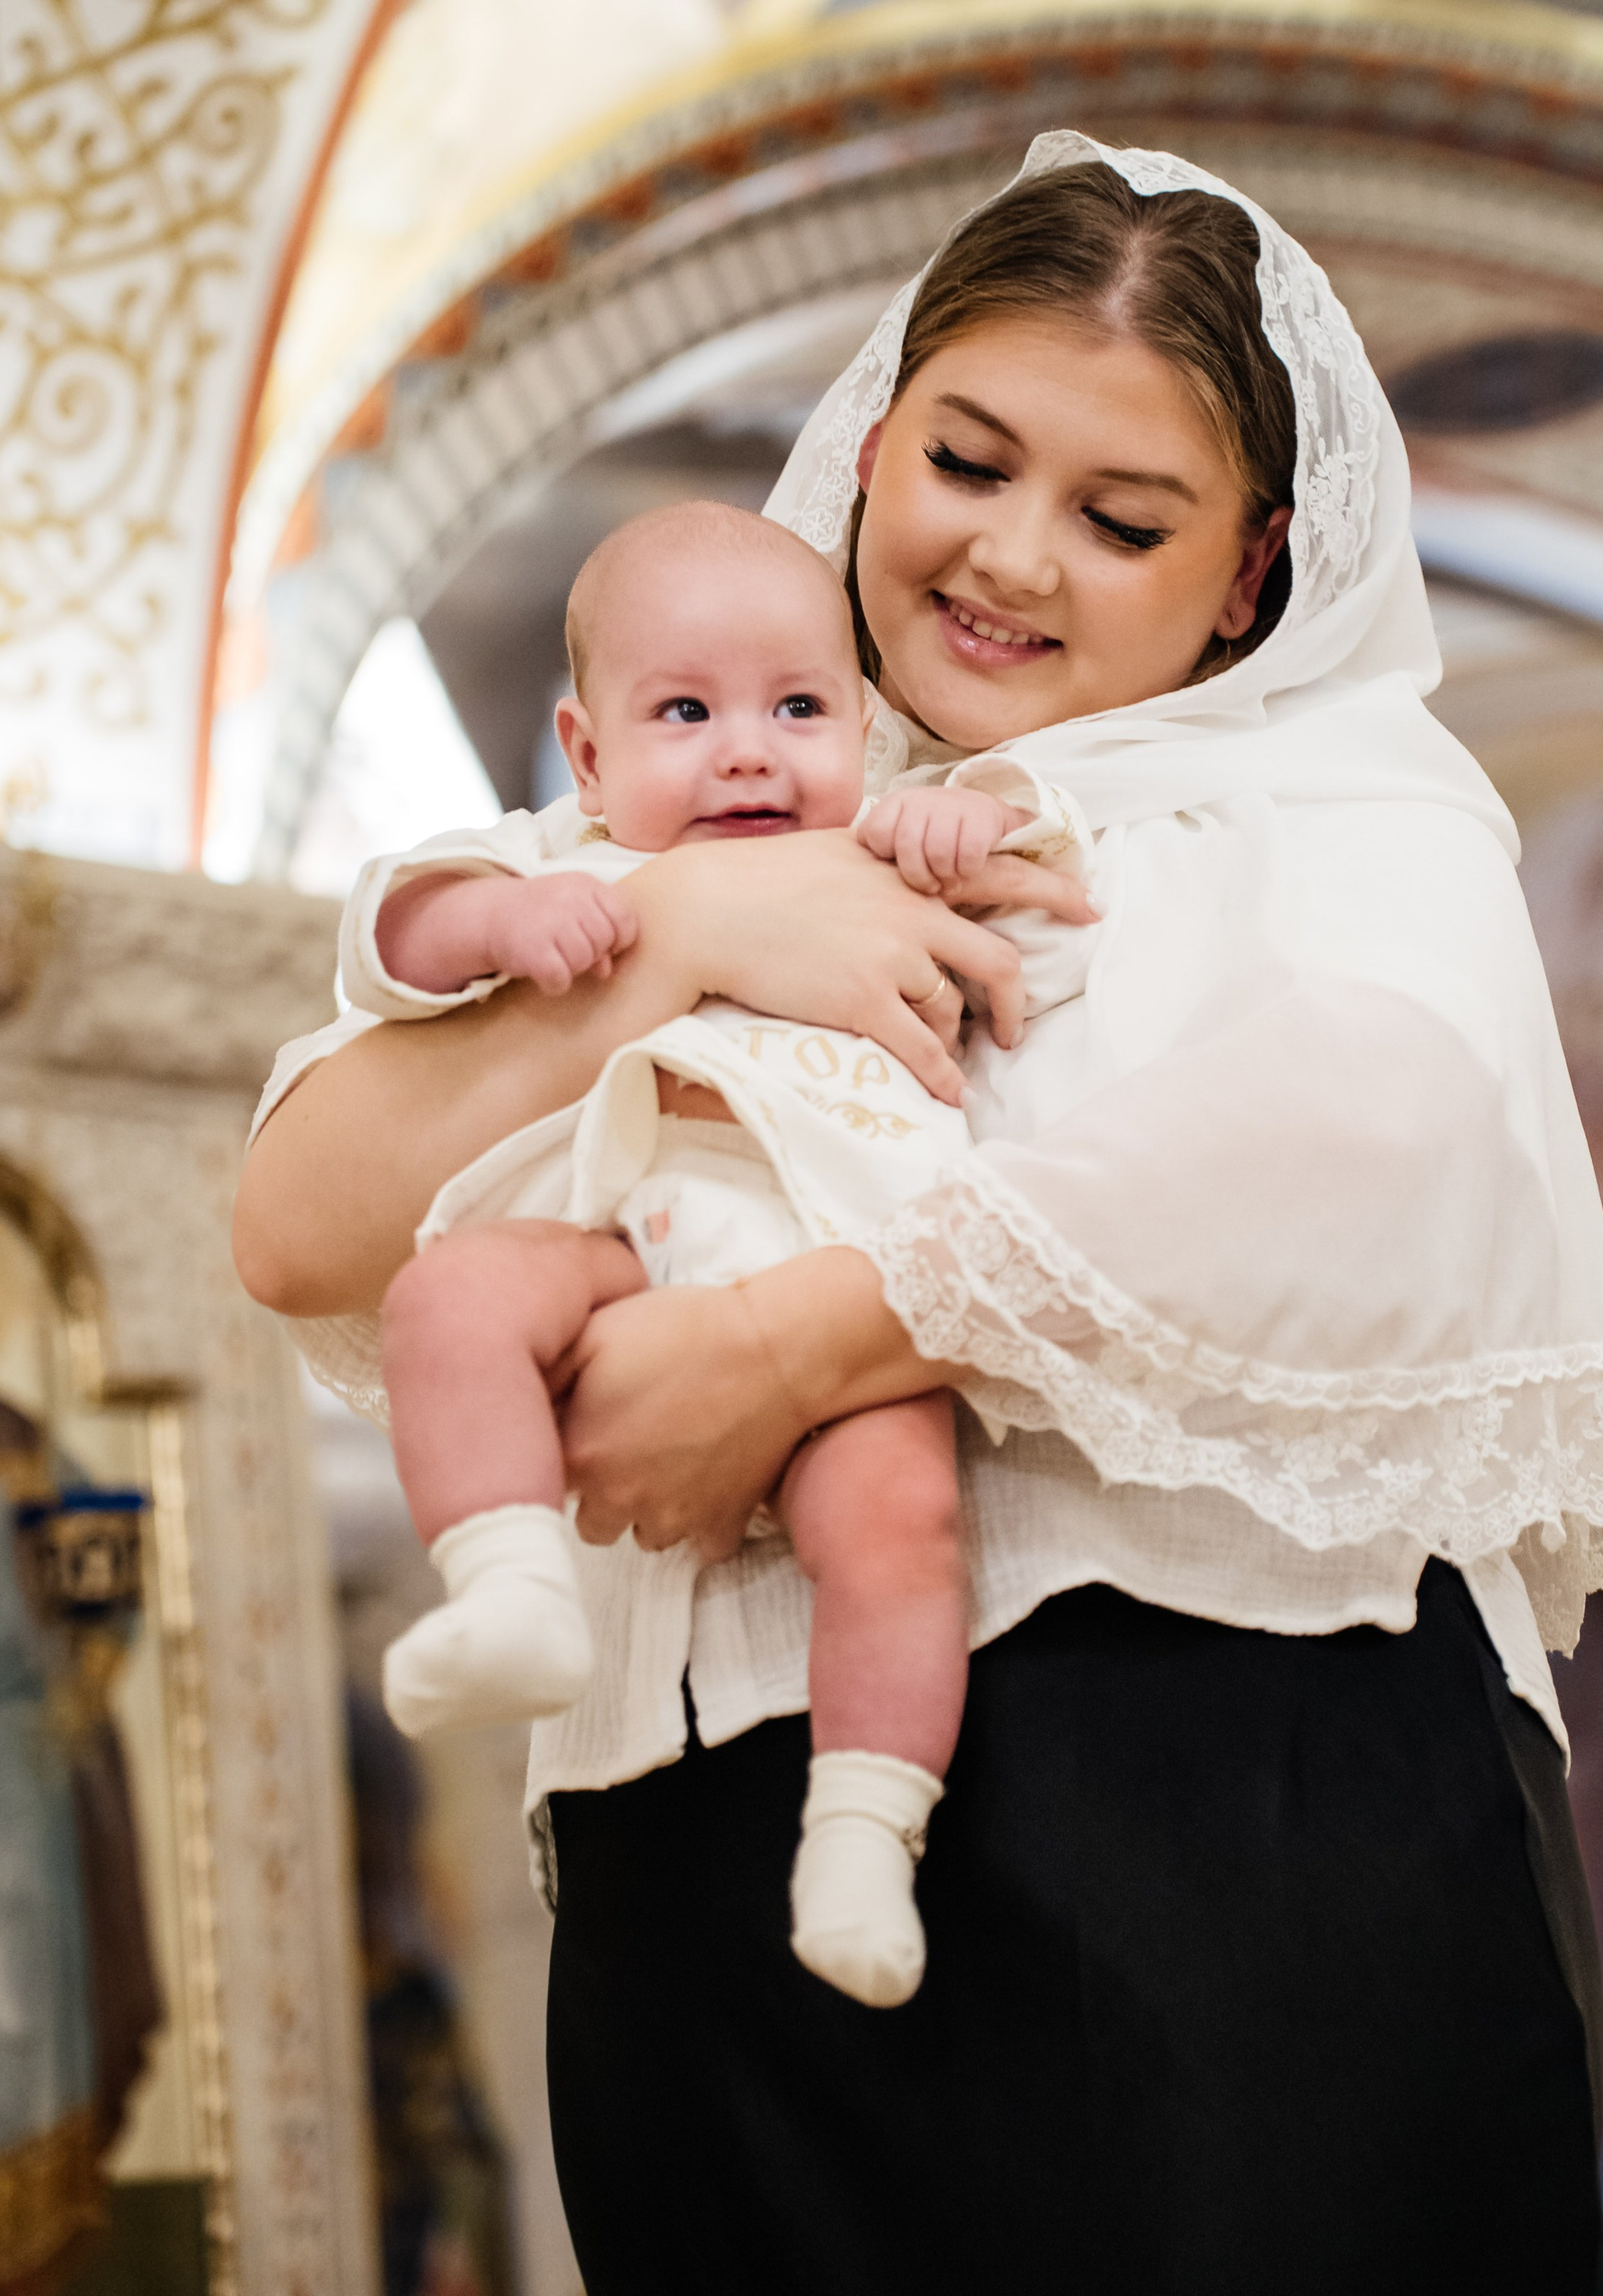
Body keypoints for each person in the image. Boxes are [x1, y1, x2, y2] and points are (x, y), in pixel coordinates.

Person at [235, 133, 1603, 2296]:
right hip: (700, 1865)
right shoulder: (700, 793)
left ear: (1249, 571)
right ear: (875, 433)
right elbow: (297, 1220)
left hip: (1213, 1823)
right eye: (971, 459)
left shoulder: (1326, 800)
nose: (1014, 557)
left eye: (1126, 520)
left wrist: (802, 1341)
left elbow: (1370, 1139)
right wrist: (709, 930)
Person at [343, 500, 1089, 2005]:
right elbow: (386, 932)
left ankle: (864, 1836)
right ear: (590, 750)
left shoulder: (879, 856)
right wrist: (500, 913)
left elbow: (1028, 857)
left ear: (866, 728)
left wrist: (955, 825)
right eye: (684, 711)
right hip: (618, 1241)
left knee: (899, 1531)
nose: (749, 750)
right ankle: (508, 1591)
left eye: (798, 708)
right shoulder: (576, 862)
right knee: (452, 1298)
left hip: (837, 1278)